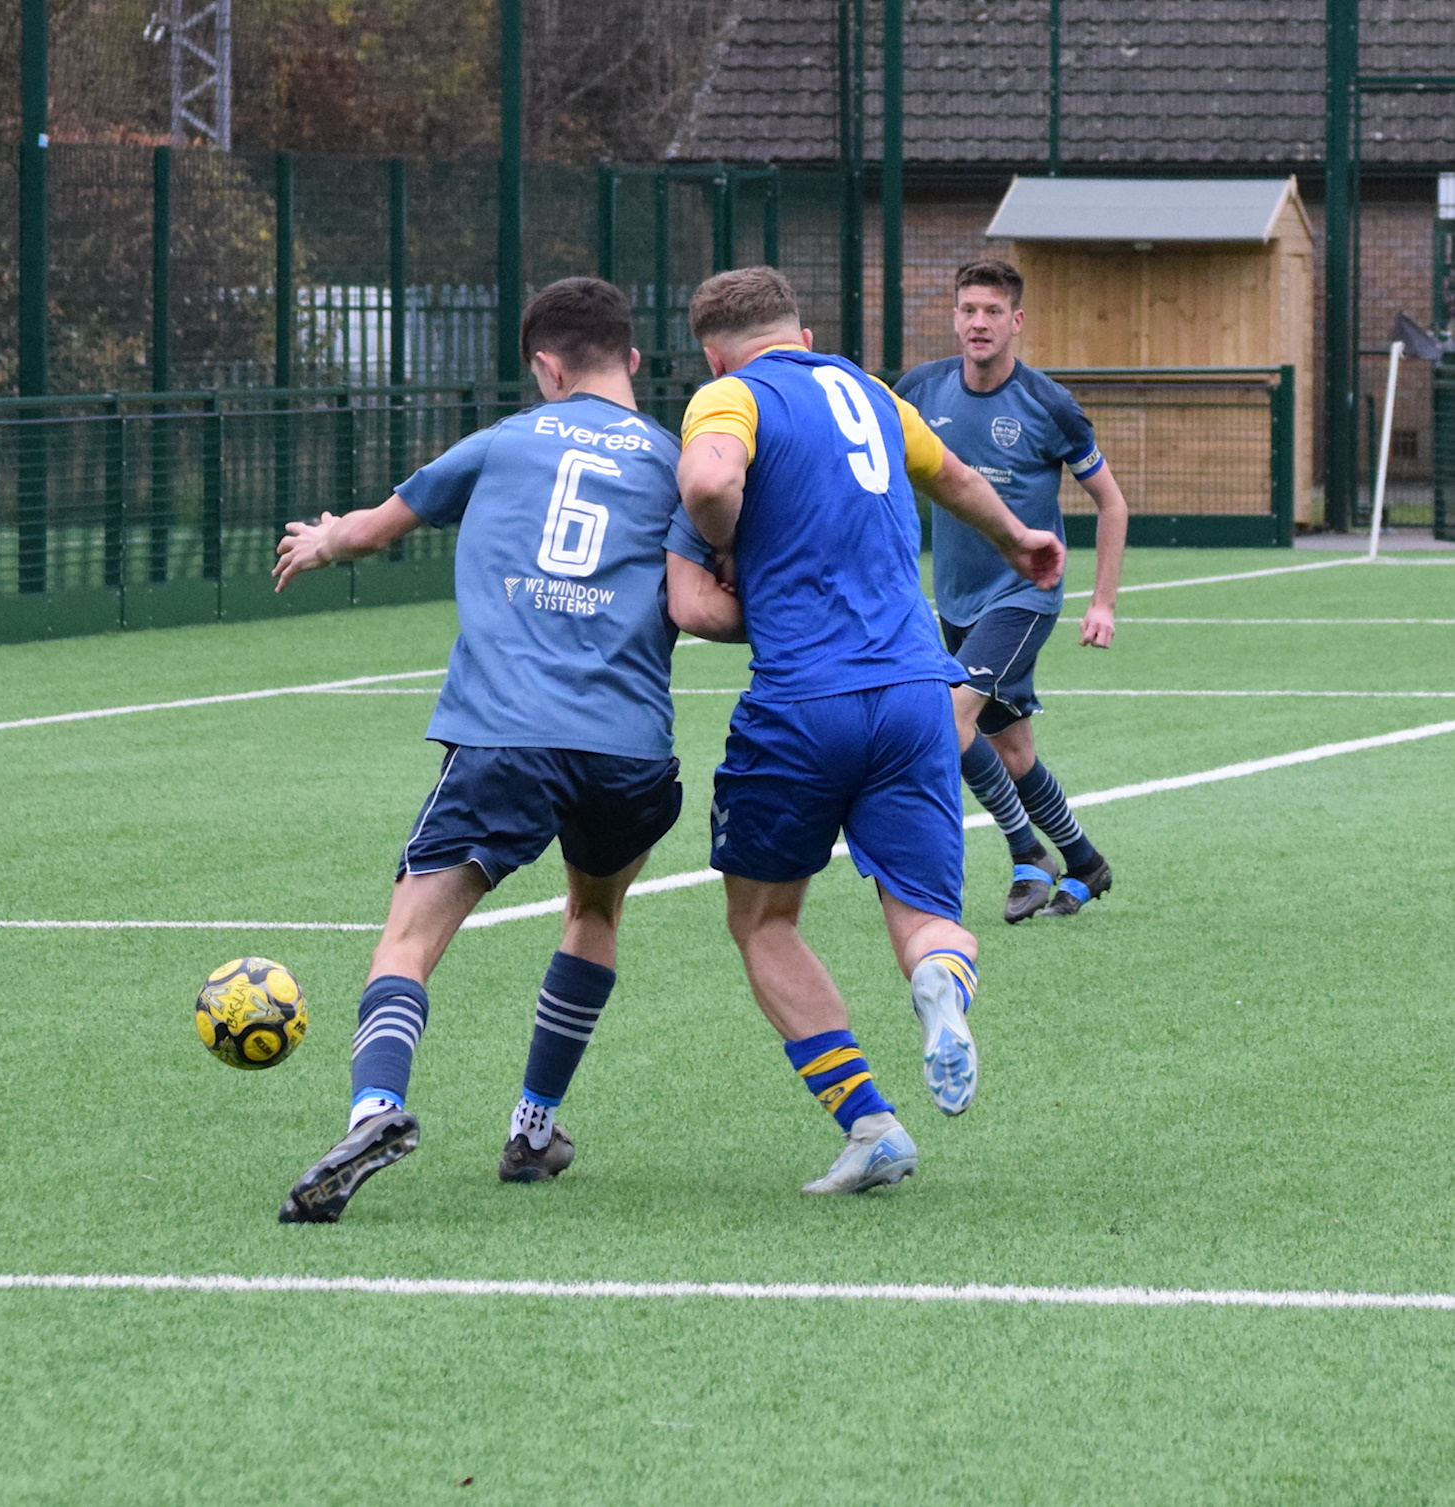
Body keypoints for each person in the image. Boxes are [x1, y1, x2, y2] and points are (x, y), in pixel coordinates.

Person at [266, 276, 742, 1224]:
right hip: (628, 751)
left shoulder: (502, 442)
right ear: (634, 363)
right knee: (593, 911)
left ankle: (376, 1106)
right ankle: (534, 1125)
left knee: (409, 935)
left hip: (505, 738)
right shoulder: (674, 458)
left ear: (545, 368)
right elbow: (714, 580)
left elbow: (371, 531)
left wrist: (322, 542)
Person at [675, 267, 1063, 1194]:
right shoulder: (873, 392)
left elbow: (706, 480)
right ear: (801, 333)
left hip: (803, 700)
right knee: (928, 917)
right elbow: (955, 477)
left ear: (715, 350)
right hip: (914, 695)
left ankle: (870, 1122)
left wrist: (726, 535)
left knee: (763, 919)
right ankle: (938, 987)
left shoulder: (729, 396)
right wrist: (1020, 539)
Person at [896, 259, 1125, 922]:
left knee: (948, 718)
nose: (978, 322)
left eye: (992, 311)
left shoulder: (1048, 404)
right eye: (968, 309)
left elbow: (1112, 504)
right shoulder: (919, 391)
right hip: (956, 601)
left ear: (1016, 321)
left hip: (1024, 598)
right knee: (1013, 749)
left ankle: (1027, 853)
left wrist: (1101, 601)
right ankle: (1084, 860)